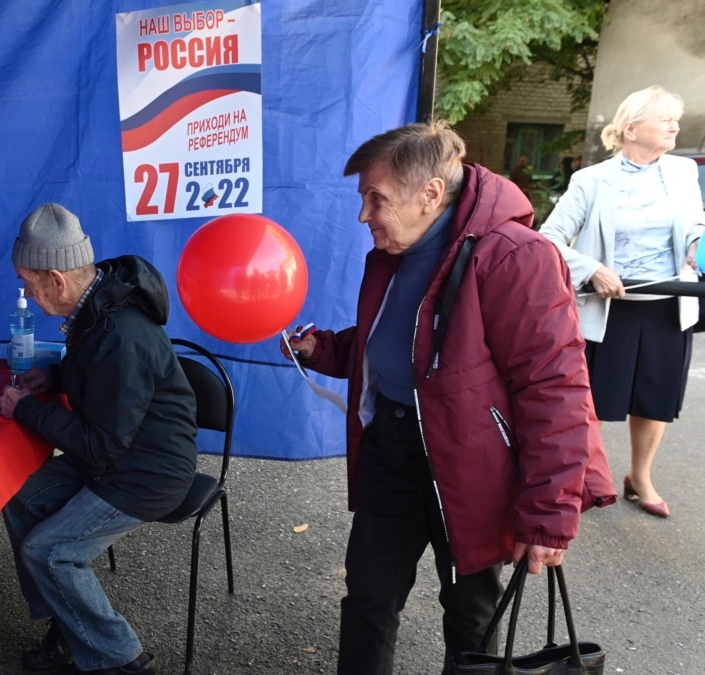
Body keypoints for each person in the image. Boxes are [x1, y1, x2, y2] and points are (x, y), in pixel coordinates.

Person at [280, 122, 616, 674]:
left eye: (376, 199)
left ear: (430, 194)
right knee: (367, 598)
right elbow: (398, 345)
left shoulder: (515, 256)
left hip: (469, 463)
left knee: (471, 616)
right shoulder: (394, 250)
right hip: (392, 448)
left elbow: (556, 391)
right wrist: (326, 350)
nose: (364, 215)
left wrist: (550, 515)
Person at [0, 203, 198, 675]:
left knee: (48, 552)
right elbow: (98, 380)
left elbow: (100, 443)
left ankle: (120, 660)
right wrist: (54, 376)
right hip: (118, 458)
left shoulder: (117, 333)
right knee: (20, 496)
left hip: (146, 473)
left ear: (56, 279)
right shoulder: (100, 305)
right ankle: (71, 624)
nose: (27, 291)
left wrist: (25, 409)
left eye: (28, 282)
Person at [539, 85, 705, 519]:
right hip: (608, 304)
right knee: (590, 400)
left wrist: (695, 245)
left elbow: (693, 225)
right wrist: (591, 268)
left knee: (656, 398)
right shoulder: (591, 180)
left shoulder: (683, 171)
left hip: (669, 300)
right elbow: (547, 240)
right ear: (631, 128)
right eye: (665, 118)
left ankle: (641, 477)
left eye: (676, 117)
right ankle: (579, 477)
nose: (675, 125)